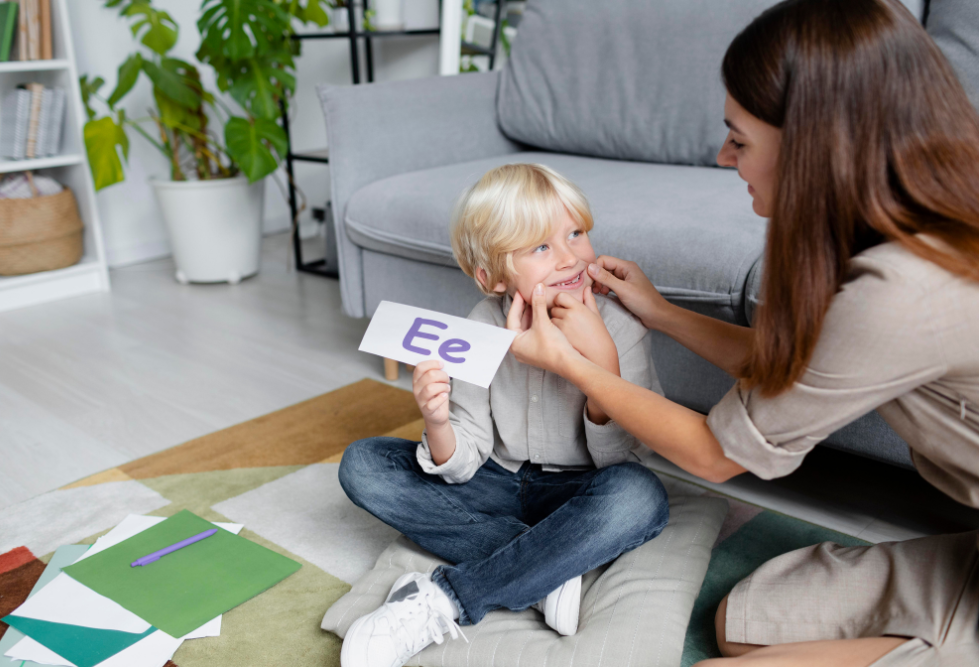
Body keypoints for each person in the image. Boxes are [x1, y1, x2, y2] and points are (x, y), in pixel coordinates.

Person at [503, 1, 979, 666]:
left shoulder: (903, 288)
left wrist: (574, 366)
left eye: (740, 139)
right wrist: (660, 311)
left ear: (814, 146)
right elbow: (805, 368)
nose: (724, 157)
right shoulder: (892, 227)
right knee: (741, 623)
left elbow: (714, 453)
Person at [337, 164, 670, 667]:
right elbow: (465, 456)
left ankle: (451, 596)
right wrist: (437, 422)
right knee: (363, 464)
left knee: (639, 495)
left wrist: (601, 363)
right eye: (540, 247)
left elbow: (623, 458)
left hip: (580, 489)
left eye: (575, 234)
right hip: (495, 479)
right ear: (492, 277)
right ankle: (545, 569)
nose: (569, 257)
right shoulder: (480, 325)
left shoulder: (620, 326)